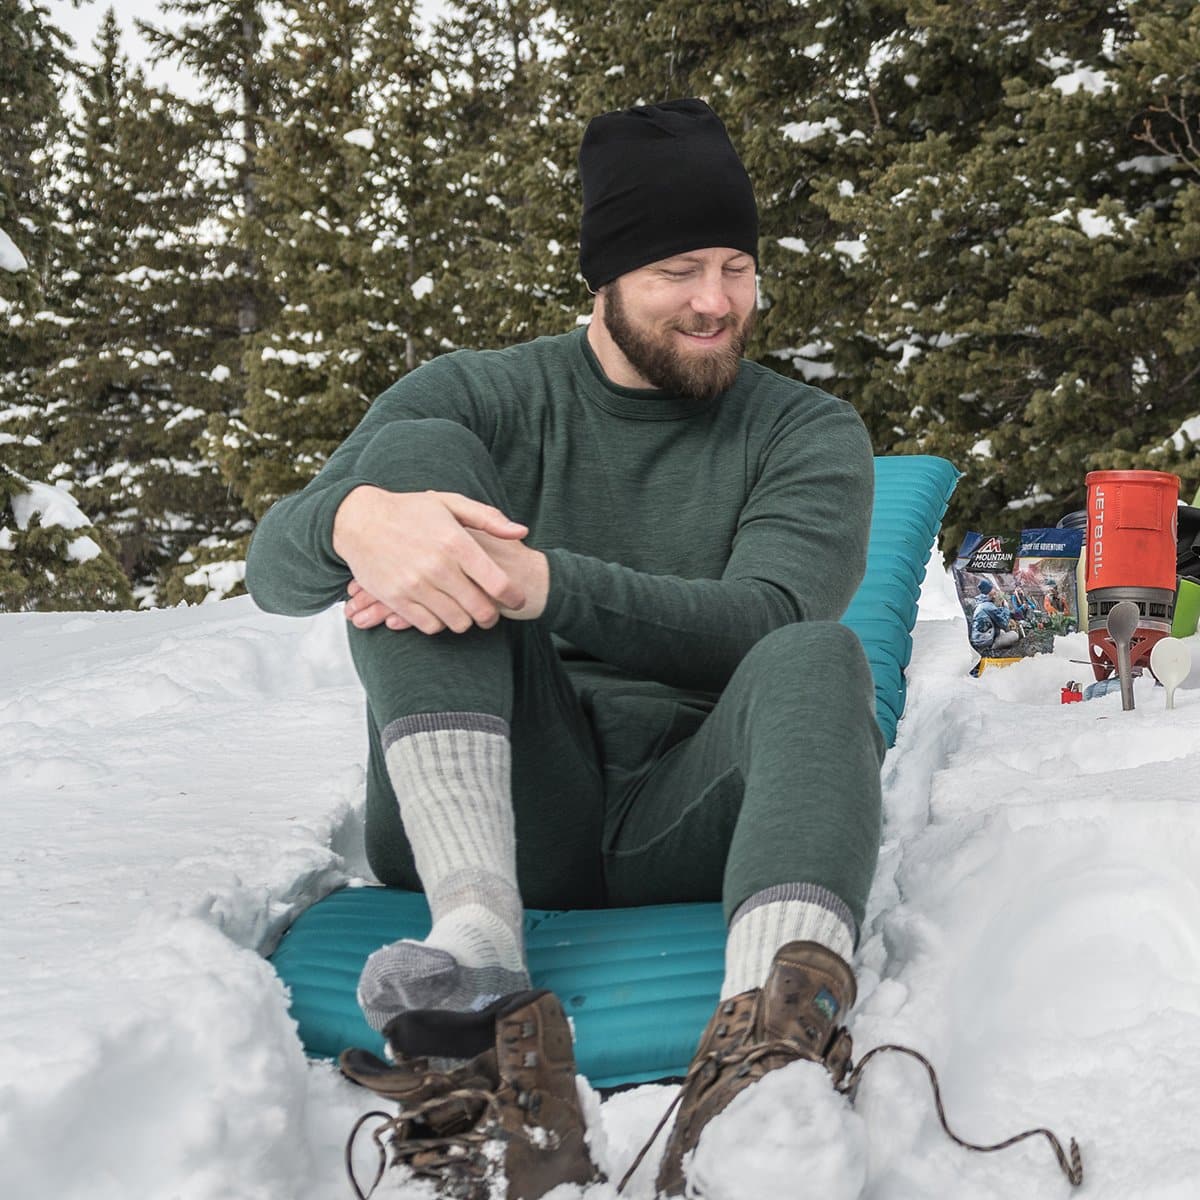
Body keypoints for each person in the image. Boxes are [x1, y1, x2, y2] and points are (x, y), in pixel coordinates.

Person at [245, 98, 883, 1198]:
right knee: (413, 466)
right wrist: (355, 522)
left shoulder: (804, 431)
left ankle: (768, 1052)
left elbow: (764, 618)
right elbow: (273, 572)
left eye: (737, 268)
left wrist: (538, 581)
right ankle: (476, 962)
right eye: (679, 270)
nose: (717, 301)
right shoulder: (481, 396)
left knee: (818, 653)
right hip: (498, 799)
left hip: (692, 808)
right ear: (604, 277)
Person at [970, 578, 1020, 655]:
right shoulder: (988, 606)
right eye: (993, 588)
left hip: (979, 639)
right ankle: (991, 649)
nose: (995, 591)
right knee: (1014, 635)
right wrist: (1006, 607)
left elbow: (995, 615)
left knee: (1002, 632)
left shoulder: (982, 604)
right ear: (988, 591)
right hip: (984, 643)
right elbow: (1004, 623)